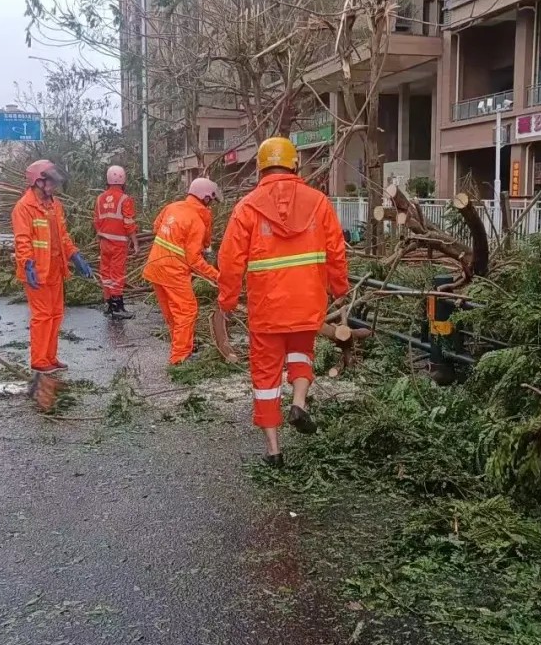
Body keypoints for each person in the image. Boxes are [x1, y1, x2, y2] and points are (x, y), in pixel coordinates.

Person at [217, 137, 349, 467]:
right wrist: (339, 288)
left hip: (267, 309)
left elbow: (230, 261)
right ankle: (299, 403)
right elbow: (336, 249)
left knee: (265, 376)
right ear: (294, 164)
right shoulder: (318, 202)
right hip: (307, 304)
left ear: (260, 167)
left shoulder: (247, 207)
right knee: (301, 354)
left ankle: (274, 450)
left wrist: (227, 301)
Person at [12, 159, 93, 373]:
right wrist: (27, 264)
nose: (54, 186)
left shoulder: (55, 205)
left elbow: (63, 236)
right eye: (51, 182)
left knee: (56, 314)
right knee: (42, 316)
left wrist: (75, 256)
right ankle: (39, 360)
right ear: (38, 182)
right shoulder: (24, 207)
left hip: (55, 268)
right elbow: (22, 240)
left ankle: (50, 357)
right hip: (36, 271)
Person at [142, 177, 220, 364]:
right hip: (173, 272)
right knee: (187, 311)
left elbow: (156, 227)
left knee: (172, 313)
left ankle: (180, 347)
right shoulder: (197, 221)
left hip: (155, 267)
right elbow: (194, 260)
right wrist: (217, 276)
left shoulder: (172, 207)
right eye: (211, 201)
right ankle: (180, 357)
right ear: (206, 198)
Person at [94, 165, 138, 320]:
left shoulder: (100, 198)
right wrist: (135, 242)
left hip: (104, 242)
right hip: (118, 243)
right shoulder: (125, 199)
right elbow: (128, 223)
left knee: (106, 273)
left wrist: (102, 236)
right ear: (123, 180)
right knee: (117, 274)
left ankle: (109, 304)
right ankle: (118, 307)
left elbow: (96, 221)